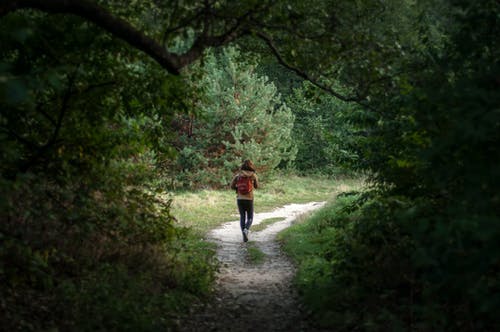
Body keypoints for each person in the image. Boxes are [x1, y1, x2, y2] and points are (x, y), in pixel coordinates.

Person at [230, 160, 259, 242]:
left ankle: (244, 234)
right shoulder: (253, 175)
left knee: (242, 216)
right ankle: (246, 229)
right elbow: (257, 186)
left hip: (240, 198)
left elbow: (231, 186)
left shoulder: (238, 175)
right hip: (249, 199)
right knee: (250, 217)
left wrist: (238, 189)